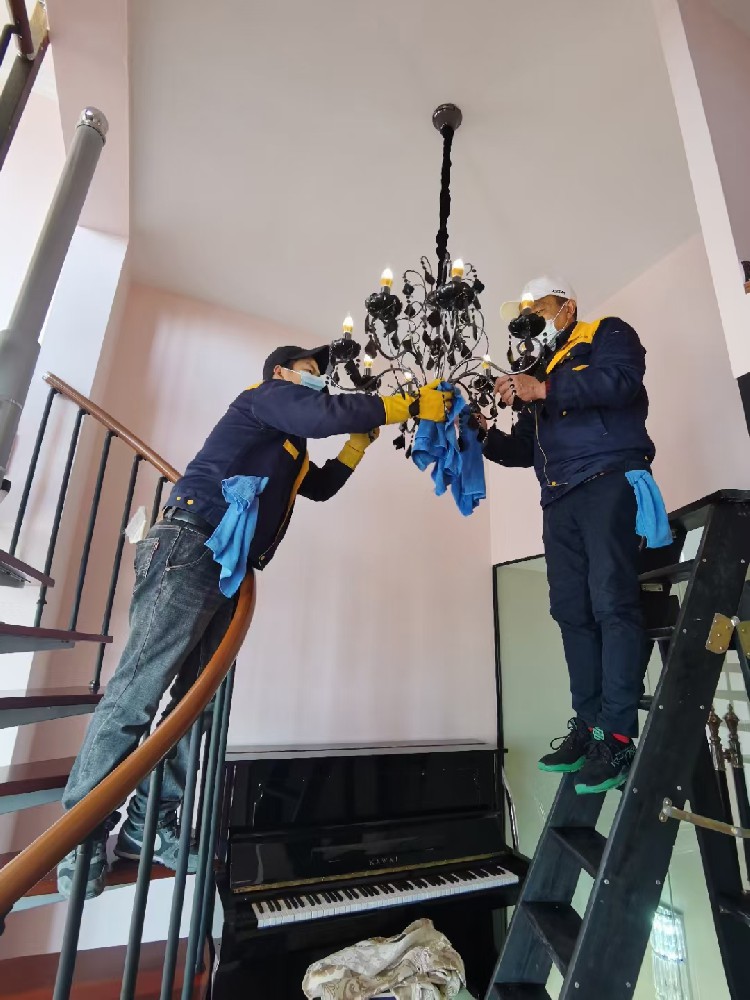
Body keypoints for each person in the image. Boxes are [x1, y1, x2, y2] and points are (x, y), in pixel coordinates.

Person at [57, 344, 451, 898]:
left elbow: (319, 486)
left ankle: (148, 826)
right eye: (311, 373)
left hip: (225, 566)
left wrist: (357, 446)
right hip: (190, 545)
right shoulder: (264, 398)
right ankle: (77, 838)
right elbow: (325, 413)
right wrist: (405, 404)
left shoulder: (286, 442)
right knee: (135, 696)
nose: (320, 382)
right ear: (281, 374)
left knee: (196, 707)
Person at [484, 276, 658, 794]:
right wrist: (481, 433)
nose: (531, 318)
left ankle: (617, 736)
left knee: (611, 601)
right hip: (558, 497)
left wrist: (544, 389)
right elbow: (524, 450)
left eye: (539, 307)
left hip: (607, 477)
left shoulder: (606, 332)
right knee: (569, 611)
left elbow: (623, 382)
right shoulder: (539, 370)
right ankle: (589, 725)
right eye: (525, 312)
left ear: (568, 307)